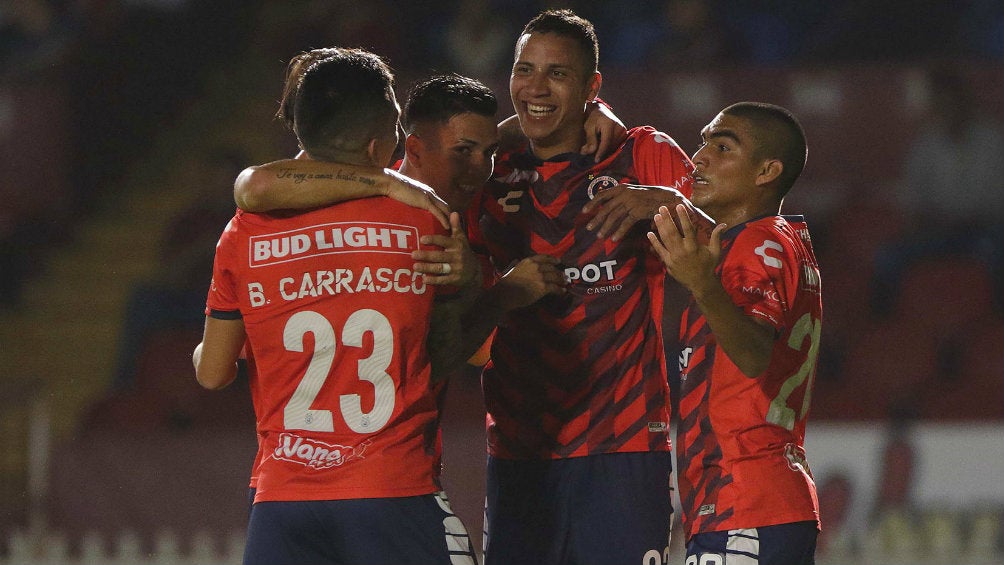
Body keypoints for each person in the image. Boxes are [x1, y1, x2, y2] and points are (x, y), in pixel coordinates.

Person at [194, 48, 490, 565]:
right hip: (391, 491)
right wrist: (488, 289)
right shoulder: (422, 220)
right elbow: (466, 354)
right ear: (379, 144)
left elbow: (214, 373)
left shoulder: (243, 231)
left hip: (282, 502)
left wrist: (222, 347)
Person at [648, 101, 821, 564]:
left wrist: (702, 284)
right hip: (753, 504)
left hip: (746, 501)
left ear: (767, 170)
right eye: (704, 141)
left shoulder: (756, 244)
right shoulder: (781, 239)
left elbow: (755, 357)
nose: (699, 156)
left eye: (722, 146)